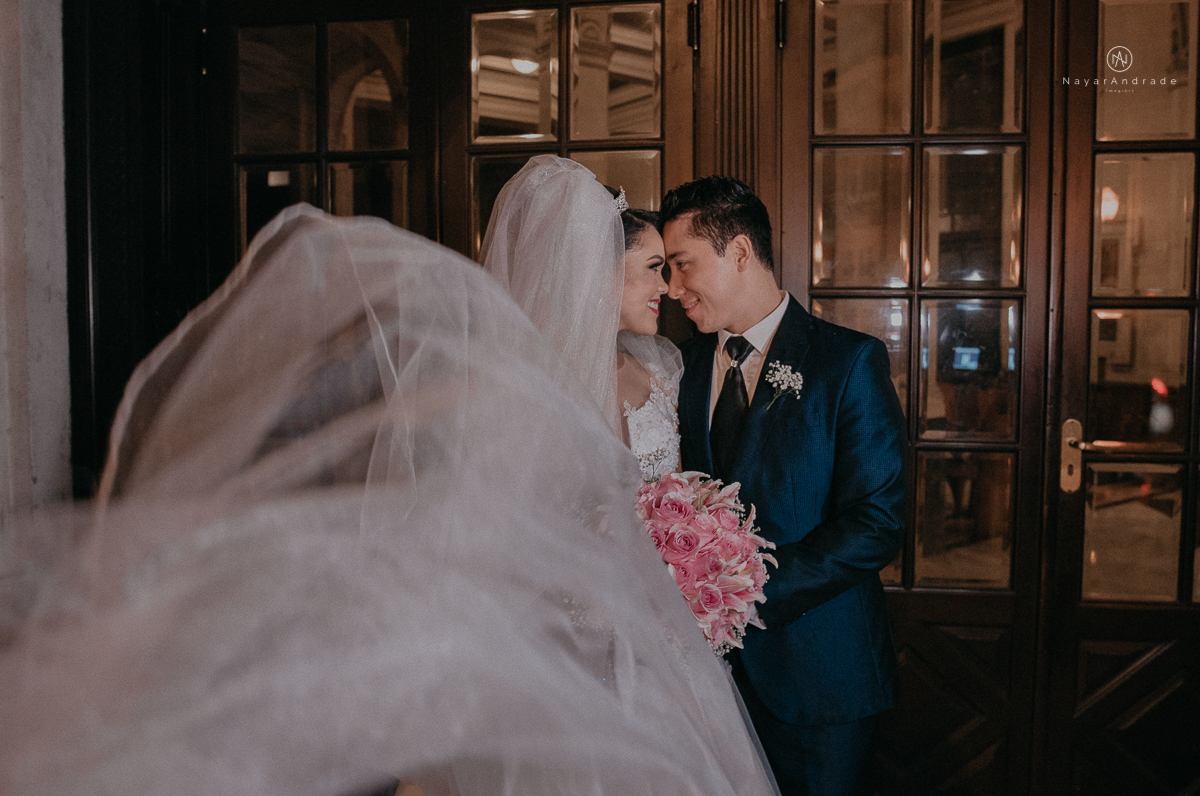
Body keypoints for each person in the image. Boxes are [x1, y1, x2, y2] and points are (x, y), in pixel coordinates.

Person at [0, 204, 779, 795]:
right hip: (562, 638)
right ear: (593, 273)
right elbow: (499, 516)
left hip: (658, 645)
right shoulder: (511, 390)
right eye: (651, 268)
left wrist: (692, 558)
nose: (667, 290)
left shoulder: (668, 369)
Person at [661, 176, 908, 796]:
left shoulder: (847, 362)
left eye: (683, 266)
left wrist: (742, 589)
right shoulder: (678, 367)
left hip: (819, 678)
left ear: (739, 252)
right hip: (704, 685)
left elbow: (877, 521)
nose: (673, 288)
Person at [481, 155, 681, 482]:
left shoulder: (655, 375)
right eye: (653, 267)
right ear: (600, 270)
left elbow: (681, 489)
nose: (664, 286)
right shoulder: (523, 379)